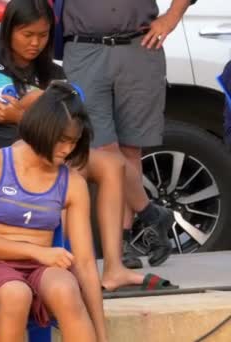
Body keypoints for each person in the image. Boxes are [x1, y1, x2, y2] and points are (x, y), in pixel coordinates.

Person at [0, 0, 175, 291]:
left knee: (112, 163)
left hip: (46, 154)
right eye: (27, 34)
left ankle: (113, 267)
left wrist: (21, 114)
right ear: (9, 30)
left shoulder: (52, 73)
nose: (35, 43)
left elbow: (68, 124)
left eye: (42, 36)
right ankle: (74, 264)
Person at [0, 81, 106, 342]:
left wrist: (102, 334)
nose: (67, 150)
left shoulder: (73, 183)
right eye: (61, 140)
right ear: (41, 129)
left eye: (73, 142)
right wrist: (37, 251)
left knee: (66, 290)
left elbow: (84, 263)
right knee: (17, 295)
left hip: (41, 271)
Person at [62, 0, 194, 266]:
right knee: (100, 149)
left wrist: (171, 17)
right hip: (84, 47)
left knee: (131, 150)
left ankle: (120, 243)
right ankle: (151, 213)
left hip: (139, 45)